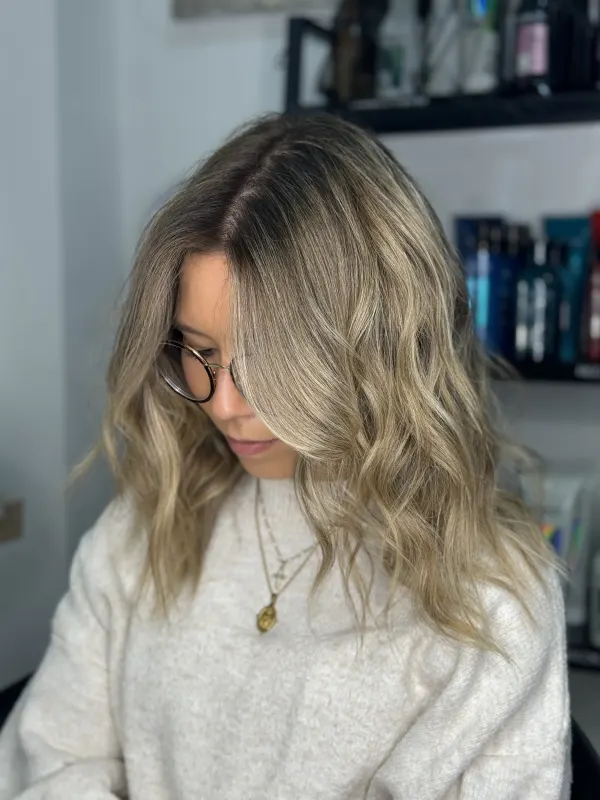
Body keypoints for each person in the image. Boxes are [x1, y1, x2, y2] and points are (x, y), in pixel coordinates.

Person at [0, 114, 569, 799]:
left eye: (269, 361)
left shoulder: (489, 598)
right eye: (198, 352)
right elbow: (51, 759)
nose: (223, 405)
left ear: (381, 345)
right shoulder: (145, 529)